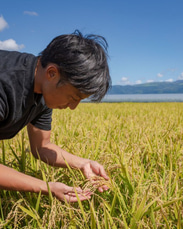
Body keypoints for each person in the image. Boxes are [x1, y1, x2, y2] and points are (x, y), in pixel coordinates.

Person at [0, 30, 111, 202]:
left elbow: (41, 146)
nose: (73, 107)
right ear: (52, 73)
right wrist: (46, 187)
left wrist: (82, 163)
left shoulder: (44, 90)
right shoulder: (5, 83)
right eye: (73, 98)